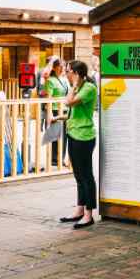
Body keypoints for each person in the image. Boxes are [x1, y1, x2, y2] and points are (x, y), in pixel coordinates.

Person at [56, 60, 98, 229]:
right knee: (78, 175)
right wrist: (59, 118)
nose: (66, 74)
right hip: (73, 134)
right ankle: (79, 210)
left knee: (86, 175)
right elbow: (73, 113)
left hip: (84, 136)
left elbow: (69, 102)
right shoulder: (79, 87)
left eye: (68, 71)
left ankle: (89, 214)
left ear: (76, 73)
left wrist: (73, 86)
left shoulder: (88, 88)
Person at [43, 57, 68, 166]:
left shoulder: (65, 79)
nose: (62, 69)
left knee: (65, 135)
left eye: (64, 66)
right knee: (55, 135)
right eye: (60, 66)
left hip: (65, 109)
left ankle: (61, 158)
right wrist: (50, 114)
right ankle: (54, 159)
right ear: (54, 68)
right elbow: (48, 98)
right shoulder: (50, 80)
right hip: (55, 109)